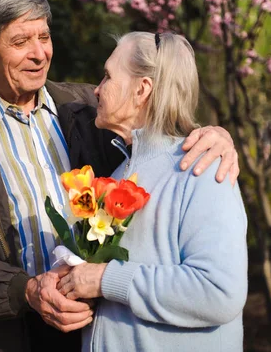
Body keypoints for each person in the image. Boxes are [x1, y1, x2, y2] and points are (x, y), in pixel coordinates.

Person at [0, 0, 240, 352]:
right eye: (21, 42)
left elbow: (156, 126)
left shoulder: (89, 108)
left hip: (92, 331)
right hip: (9, 337)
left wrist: (211, 134)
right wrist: (27, 290)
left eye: (44, 36)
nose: (39, 54)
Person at [57, 32, 248, 352]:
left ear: (141, 89)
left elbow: (218, 292)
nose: (96, 90)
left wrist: (104, 279)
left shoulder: (203, 169)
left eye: (107, 76)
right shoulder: (118, 174)